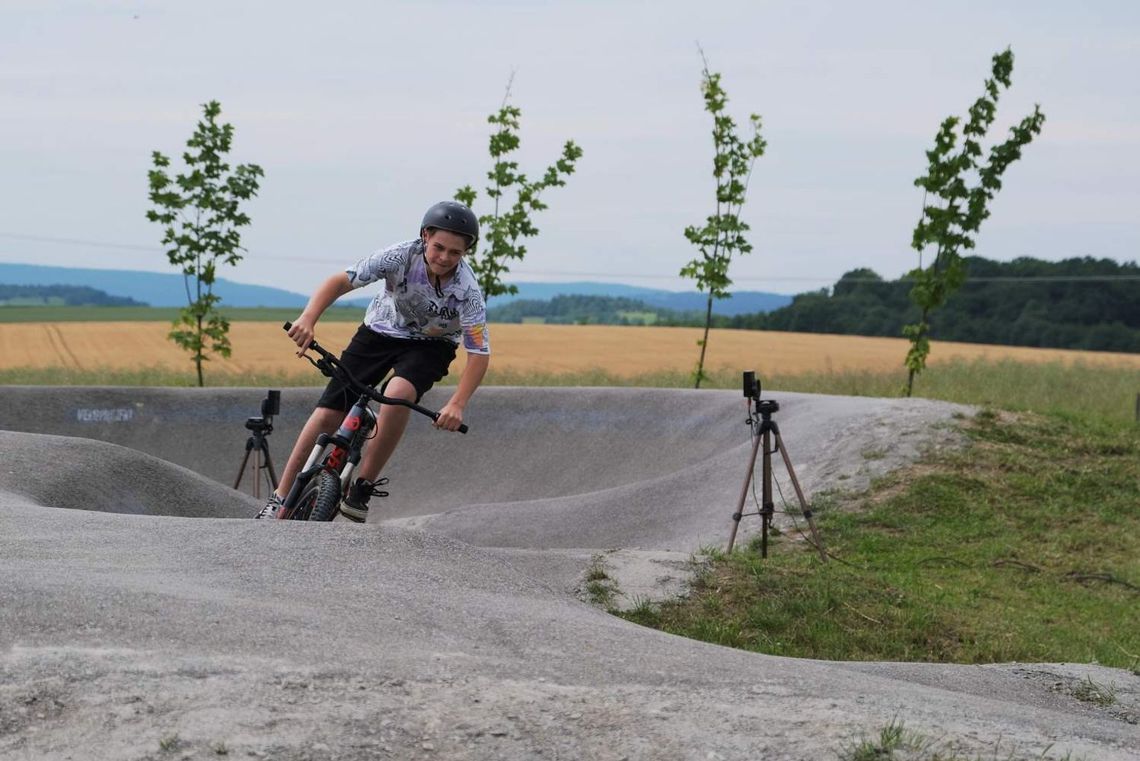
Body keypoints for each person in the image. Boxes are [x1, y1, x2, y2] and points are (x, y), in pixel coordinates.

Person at [257, 200, 490, 522]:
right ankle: (279, 496)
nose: (445, 258)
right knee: (327, 414)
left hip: (430, 346)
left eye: (455, 253)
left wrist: (457, 404)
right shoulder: (398, 256)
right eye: (439, 247)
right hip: (378, 332)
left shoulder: (468, 290)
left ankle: (362, 485)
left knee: (398, 394)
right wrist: (308, 319)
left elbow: (478, 352)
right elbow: (340, 281)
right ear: (425, 236)